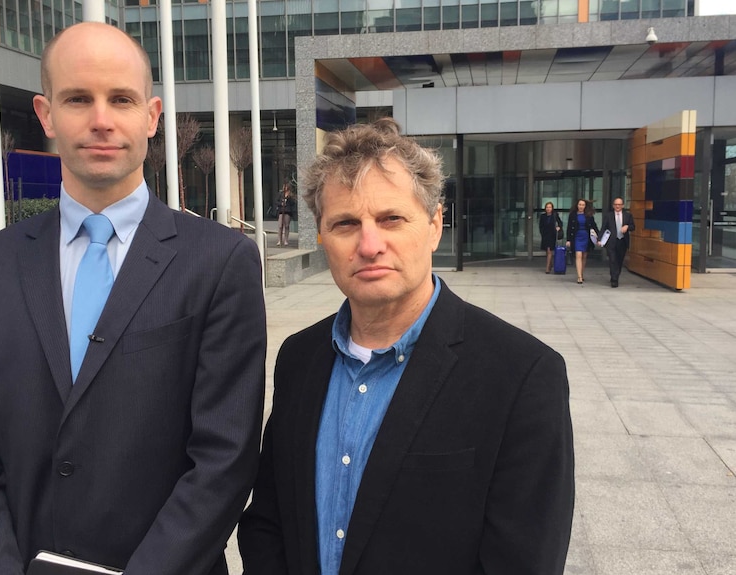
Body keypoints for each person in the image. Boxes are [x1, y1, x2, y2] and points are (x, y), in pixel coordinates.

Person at [0, 22, 266, 575]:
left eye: (122, 99)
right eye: (78, 98)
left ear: (152, 116)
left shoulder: (220, 262)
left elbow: (224, 459)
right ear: (46, 114)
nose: (101, 120)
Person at [238, 118, 575, 575]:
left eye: (391, 218)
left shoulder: (522, 376)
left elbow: (523, 561)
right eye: (345, 224)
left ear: (435, 224)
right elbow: (268, 519)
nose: (369, 244)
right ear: (322, 235)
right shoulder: (299, 358)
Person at [601, 196, 635, 287]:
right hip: (611, 241)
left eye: (619, 204)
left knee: (619, 260)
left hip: (622, 241)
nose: (617, 206)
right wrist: (599, 239)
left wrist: (627, 226)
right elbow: (603, 228)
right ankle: (614, 279)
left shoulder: (628, 215)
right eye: (616, 204)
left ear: (622, 206)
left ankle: (616, 275)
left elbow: (633, 227)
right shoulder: (608, 216)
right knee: (612, 260)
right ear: (613, 206)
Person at [565, 198, 599, 284]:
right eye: (579, 205)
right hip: (576, 236)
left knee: (584, 256)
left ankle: (582, 273)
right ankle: (579, 276)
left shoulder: (589, 215)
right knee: (578, 255)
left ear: (585, 206)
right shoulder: (573, 215)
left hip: (586, 236)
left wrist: (599, 237)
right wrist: (568, 239)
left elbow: (594, 226)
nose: (581, 206)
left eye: (583, 205)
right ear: (577, 205)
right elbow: (569, 227)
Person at [538, 201, 563, 273]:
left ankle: (547, 268)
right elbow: (541, 226)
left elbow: (560, 223)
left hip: (552, 235)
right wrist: (542, 233)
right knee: (547, 250)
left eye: (550, 207)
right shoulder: (543, 216)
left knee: (549, 250)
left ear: (552, 208)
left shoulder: (555, 215)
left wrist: (558, 227)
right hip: (545, 235)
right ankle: (550, 263)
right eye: (547, 207)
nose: (548, 209)